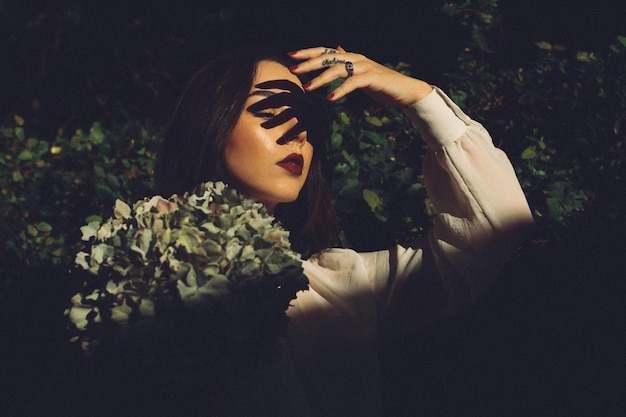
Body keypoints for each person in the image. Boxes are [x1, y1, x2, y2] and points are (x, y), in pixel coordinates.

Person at [155, 45, 534, 416]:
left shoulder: (336, 290)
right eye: (270, 111)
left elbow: (496, 228)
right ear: (211, 121)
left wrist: (420, 97)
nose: (298, 134)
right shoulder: (130, 269)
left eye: (305, 120)